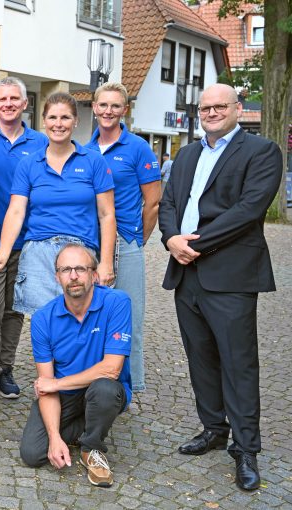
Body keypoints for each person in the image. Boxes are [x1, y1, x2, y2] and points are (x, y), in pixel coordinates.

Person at [159, 83, 282, 491]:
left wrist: (194, 244)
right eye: (205, 107)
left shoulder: (261, 152)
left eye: (219, 106)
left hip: (230, 275)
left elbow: (249, 210)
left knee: (238, 363)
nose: (211, 112)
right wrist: (171, 239)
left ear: (237, 108)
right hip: (186, 272)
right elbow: (169, 203)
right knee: (201, 359)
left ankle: (246, 449)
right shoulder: (188, 153)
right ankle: (214, 429)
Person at [0, 92, 116, 316]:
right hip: (39, 252)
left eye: (65, 118)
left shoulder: (94, 161)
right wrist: (3, 253)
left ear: (75, 121)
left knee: (81, 321)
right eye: (52, 118)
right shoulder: (29, 164)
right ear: (44, 121)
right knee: (44, 323)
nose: (58, 124)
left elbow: (106, 215)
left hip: (81, 252)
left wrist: (106, 263)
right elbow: (16, 211)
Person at [19, 244, 131, 488]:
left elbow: (111, 369)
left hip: (102, 389)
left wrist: (56, 383)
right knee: (32, 453)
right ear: (57, 276)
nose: (73, 276)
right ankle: (88, 424)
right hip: (66, 396)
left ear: (93, 273)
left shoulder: (117, 302)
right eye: (65, 269)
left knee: (104, 390)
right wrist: (54, 437)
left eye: (80, 268)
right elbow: (46, 386)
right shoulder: (42, 319)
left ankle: (92, 448)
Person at [85, 82, 161, 394]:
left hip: (126, 240)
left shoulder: (138, 148)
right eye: (103, 105)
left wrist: (136, 240)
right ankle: (93, 380)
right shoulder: (85, 149)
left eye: (115, 106)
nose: (108, 111)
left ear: (124, 110)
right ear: (93, 107)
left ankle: (130, 384)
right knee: (91, 315)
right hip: (91, 242)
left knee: (129, 316)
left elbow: (153, 202)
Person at [0, 76, 48, 403]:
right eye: (2, 99)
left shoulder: (40, 142)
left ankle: (5, 369)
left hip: (26, 239)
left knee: (14, 309)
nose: (8, 103)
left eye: (14, 98)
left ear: (24, 103)